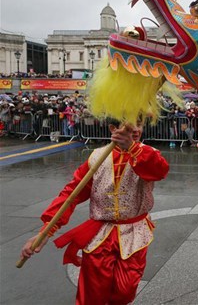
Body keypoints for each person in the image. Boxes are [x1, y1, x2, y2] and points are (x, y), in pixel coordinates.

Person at [20, 119, 169, 304]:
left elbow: (158, 171)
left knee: (125, 291)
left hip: (135, 233)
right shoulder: (96, 157)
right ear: (113, 129)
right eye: (126, 125)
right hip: (100, 234)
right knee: (93, 293)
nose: (135, 129)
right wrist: (45, 231)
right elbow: (71, 194)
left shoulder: (148, 154)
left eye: (138, 124)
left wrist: (131, 147)